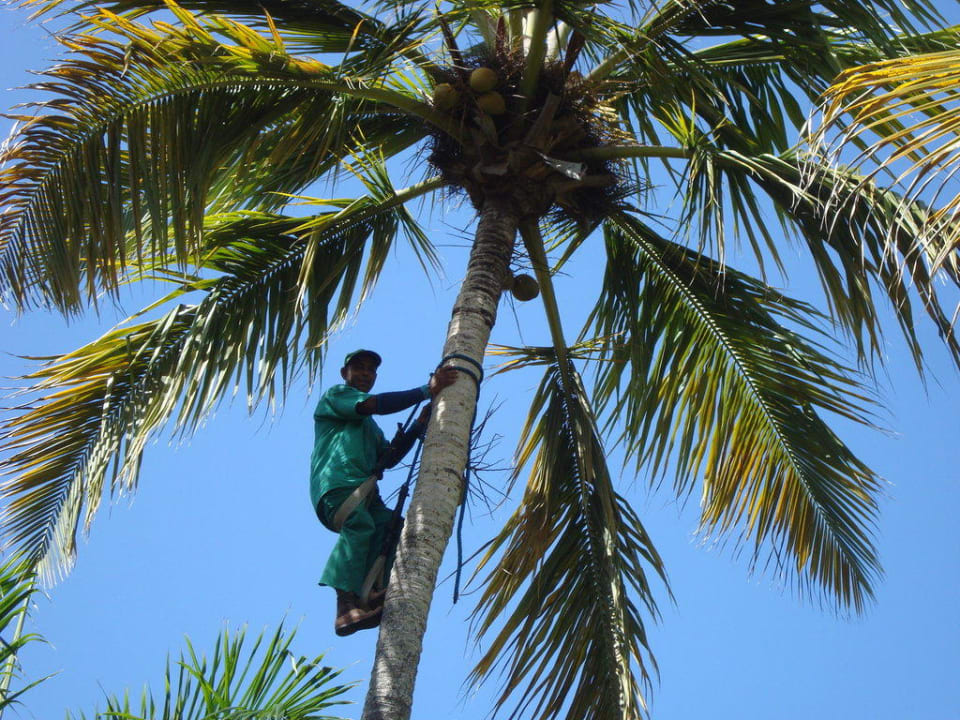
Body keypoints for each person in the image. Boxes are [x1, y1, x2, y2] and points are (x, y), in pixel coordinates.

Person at [310, 349, 458, 636]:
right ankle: (345, 608)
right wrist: (425, 391)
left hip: (366, 497)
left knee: (396, 527)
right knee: (360, 525)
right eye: (359, 368)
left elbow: (388, 459)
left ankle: (375, 589)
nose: (365, 373)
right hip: (338, 487)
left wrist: (418, 426)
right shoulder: (337, 396)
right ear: (345, 374)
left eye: (370, 370)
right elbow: (375, 405)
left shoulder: (372, 430)